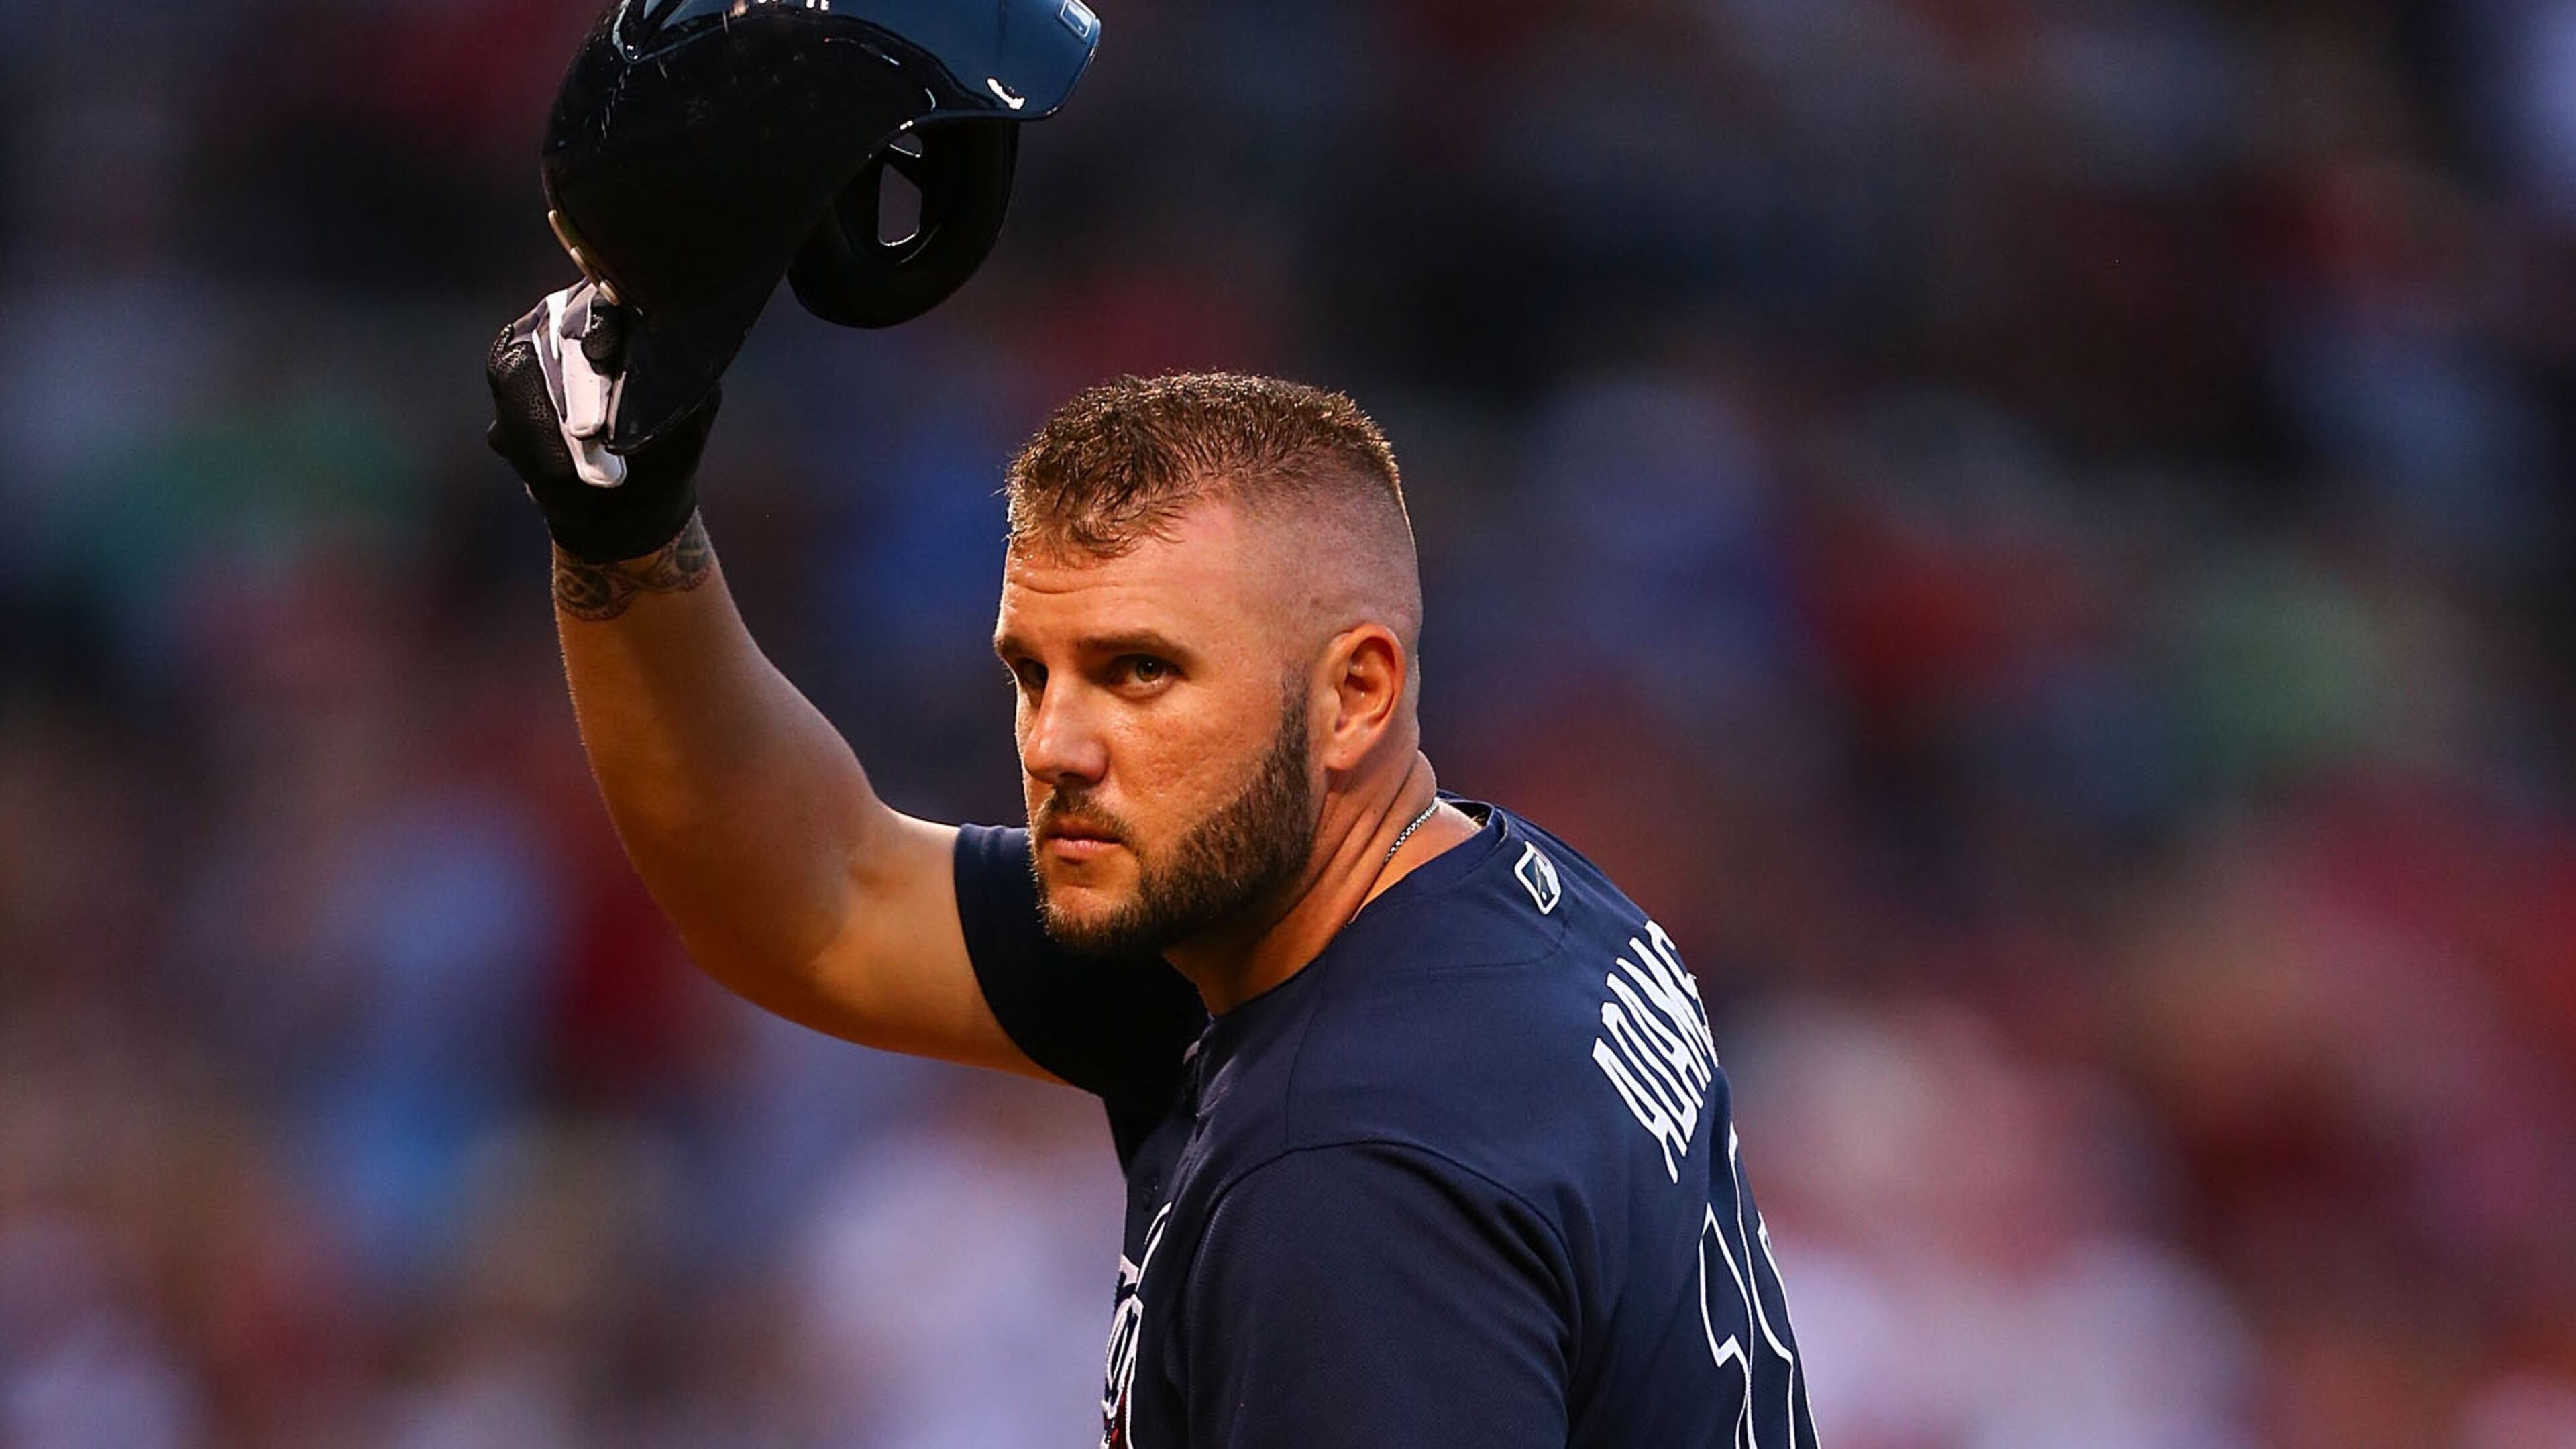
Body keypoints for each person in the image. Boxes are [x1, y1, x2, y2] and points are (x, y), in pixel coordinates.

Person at [486, 284, 1821, 1448]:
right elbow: (823, 905)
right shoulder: (1461, 893)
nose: (1057, 742)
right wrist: (625, 527)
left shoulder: (1347, 1184)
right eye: (1032, 673)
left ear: (1354, 693)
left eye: (1141, 673)